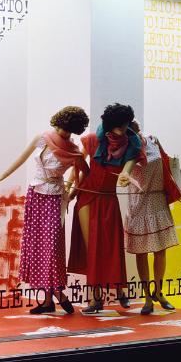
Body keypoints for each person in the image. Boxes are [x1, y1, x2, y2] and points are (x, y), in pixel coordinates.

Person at [0, 106, 90, 314]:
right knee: (36, 246)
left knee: (52, 247)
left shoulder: (73, 150)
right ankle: (48, 300)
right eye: (62, 128)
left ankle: (58, 293)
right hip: (35, 194)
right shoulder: (43, 138)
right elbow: (22, 158)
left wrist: (72, 191)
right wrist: (3, 175)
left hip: (54, 197)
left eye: (68, 131)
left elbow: (85, 172)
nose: (63, 133)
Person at [68, 103, 143, 313]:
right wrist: (70, 190)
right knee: (91, 248)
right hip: (87, 196)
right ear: (110, 125)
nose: (123, 129)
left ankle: (119, 290)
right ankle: (95, 299)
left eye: (126, 124)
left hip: (109, 199)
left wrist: (126, 175)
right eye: (119, 125)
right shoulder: (93, 140)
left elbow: (127, 170)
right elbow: (79, 166)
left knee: (111, 248)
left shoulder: (132, 144)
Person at [123, 120, 179, 314]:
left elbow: (167, 163)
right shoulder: (125, 150)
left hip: (157, 199)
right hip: (137, 202)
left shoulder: (153, 140)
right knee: (141, 253)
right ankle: (147, 297)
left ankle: (159, 293)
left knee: (160, 250)